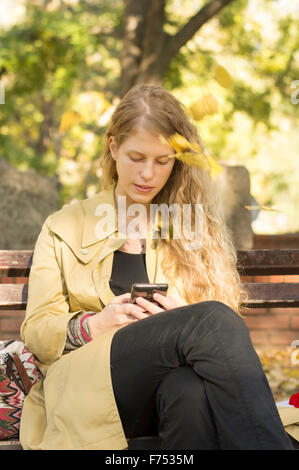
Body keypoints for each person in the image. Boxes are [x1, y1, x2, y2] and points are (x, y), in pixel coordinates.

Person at [19, 84, 294, 450]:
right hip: (88, 386)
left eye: (162, 161)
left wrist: (180, 322)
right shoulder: (64, 224)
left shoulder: (189, 225)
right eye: (136, 157)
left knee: (190, 391)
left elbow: (219, 341)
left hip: (168, 389)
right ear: (113, 147)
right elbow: (36, 331)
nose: (148, 174)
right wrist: (94, 325)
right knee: (210, 321)